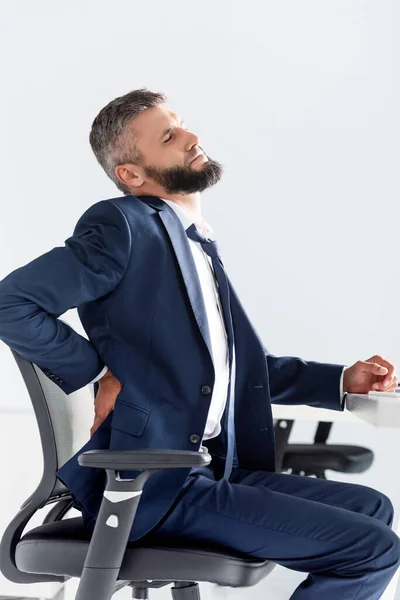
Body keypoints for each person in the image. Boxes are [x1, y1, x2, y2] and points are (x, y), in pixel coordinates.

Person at [0, 88, 399, 599]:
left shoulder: (196, 246)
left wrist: (342, 380)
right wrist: (99, 373)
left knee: (373, 510)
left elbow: (231, 369)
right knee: (371, 549)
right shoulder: (125, 224)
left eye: (182, 124)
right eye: (168, 136)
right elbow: (12, 302)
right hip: (155, 485)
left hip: (209, 468)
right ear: (132, 175)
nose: (191, 137)